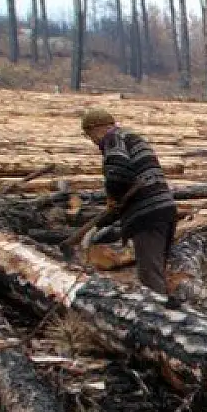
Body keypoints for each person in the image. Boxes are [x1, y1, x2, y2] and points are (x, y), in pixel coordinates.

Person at [67, 108, 178, 294]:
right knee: (158, 270)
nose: (94, 142)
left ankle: (159, 318)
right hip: (164, 209)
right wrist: (112, 212)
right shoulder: (131, 138)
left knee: (150, 276)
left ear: (96, 129)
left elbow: (118, 175)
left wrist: (113, 197)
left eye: (90, 135)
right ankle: (172, 309)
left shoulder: (113, 139)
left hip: (147, 214)